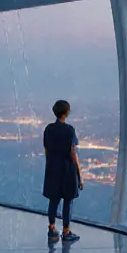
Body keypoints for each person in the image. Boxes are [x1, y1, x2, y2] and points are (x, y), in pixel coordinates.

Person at [43, 99, 83, 244]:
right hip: (67, 169)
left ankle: (52, 228)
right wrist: (79, 174)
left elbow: (46, 150)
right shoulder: (69, 130)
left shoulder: (48, 129)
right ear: (67, 112)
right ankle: (66, 231)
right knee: (68, 199)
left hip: (52, 168)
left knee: (54, 199)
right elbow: (73, 153)